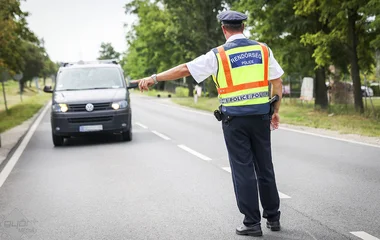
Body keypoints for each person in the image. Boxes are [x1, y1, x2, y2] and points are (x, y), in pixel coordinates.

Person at [133, 10, 284, 237]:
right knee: (265, 167)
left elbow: (185, 69)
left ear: (224, 29)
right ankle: (273, 218)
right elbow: (278, 83)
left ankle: (252, 223)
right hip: (261, 117)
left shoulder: (218, 55)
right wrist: (275, 111)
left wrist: (154, 78)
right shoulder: (263, 50)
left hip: (235, 121)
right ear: (243, 27)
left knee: (243, 169)